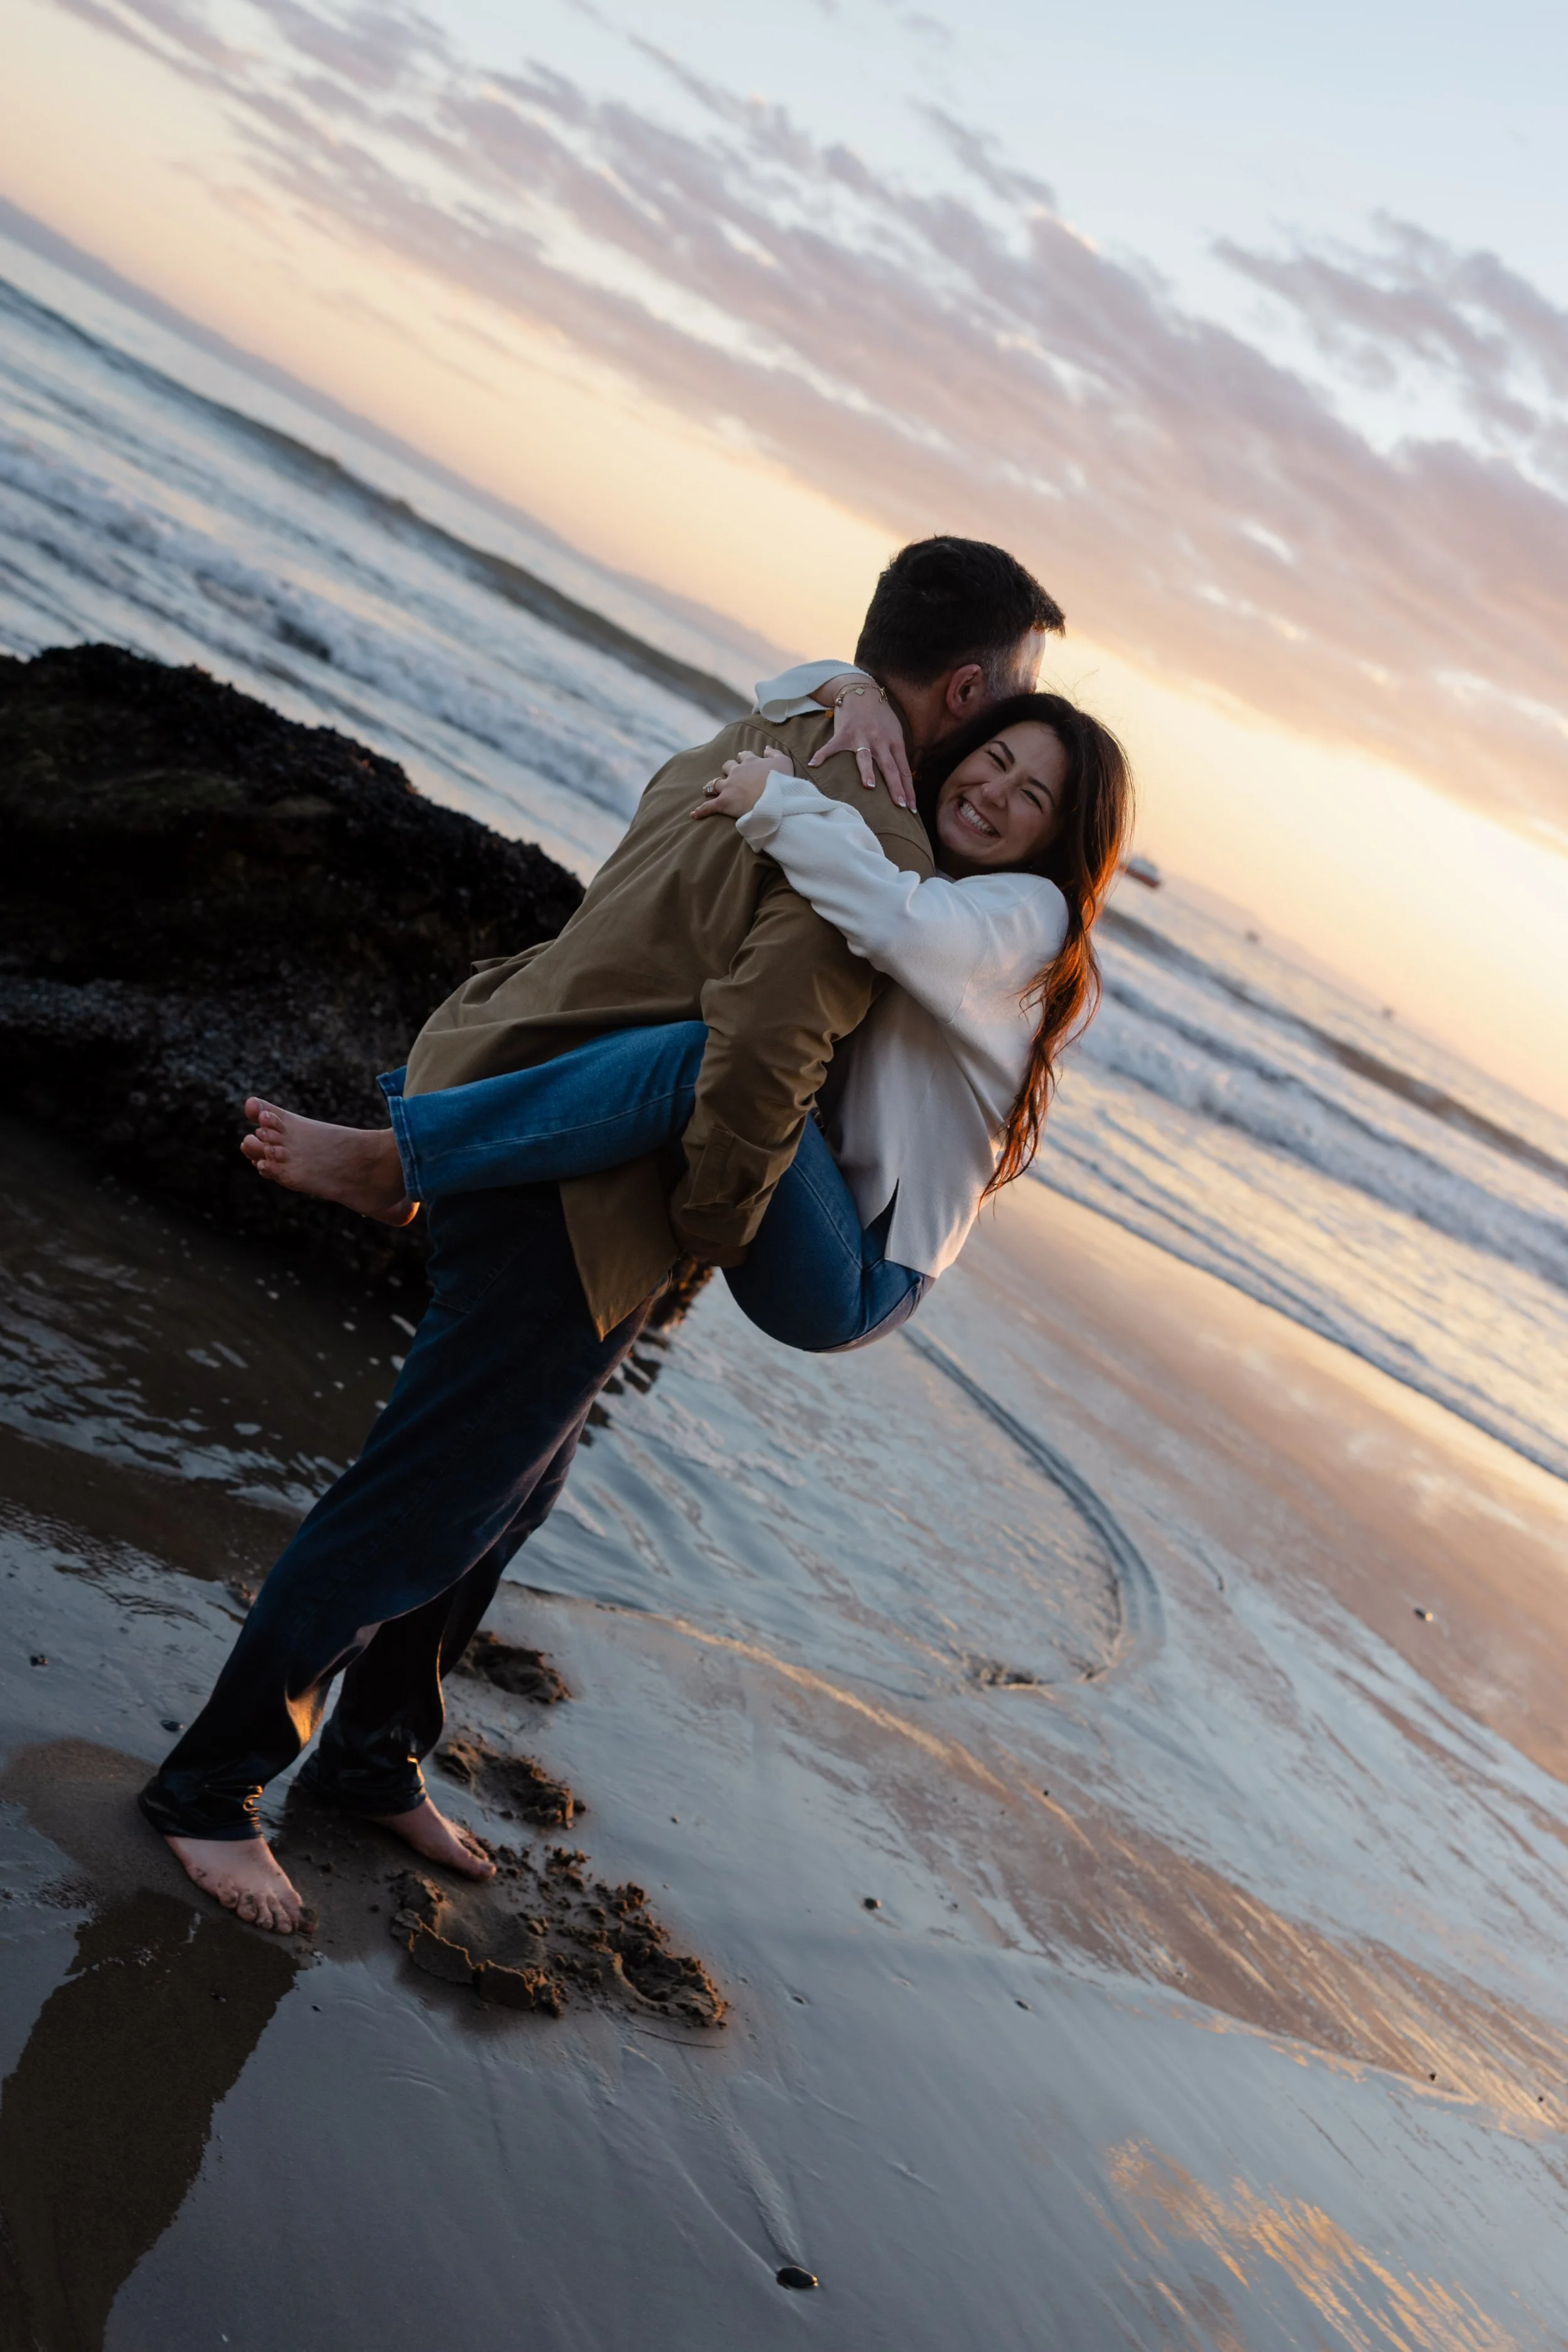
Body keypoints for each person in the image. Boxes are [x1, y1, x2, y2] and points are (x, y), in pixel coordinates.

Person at [137, 538, 1066, 1933]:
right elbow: (757, 1055)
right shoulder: (877, 841)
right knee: (424, 1501)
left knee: (512, 1490)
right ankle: (211, 1789)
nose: (1002, 750)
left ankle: (375, 1754)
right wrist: (709, 1227)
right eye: (1010, 706)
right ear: (971, 689)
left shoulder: (776, 727)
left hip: (508, 1080)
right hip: (575, 1192)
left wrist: (845, 687)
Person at [242, 690, 1131, 1357]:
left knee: (699, 1056)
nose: (994, 790)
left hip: (857, 1271)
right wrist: (857, 693)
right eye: (996, 758)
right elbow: (808, 682)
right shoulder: (954, 875)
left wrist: (776, 801)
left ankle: (402, 1161)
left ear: (1055, 841)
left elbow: (896, 921)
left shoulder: (1034, 918)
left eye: (1032, 795)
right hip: (817, 1204)